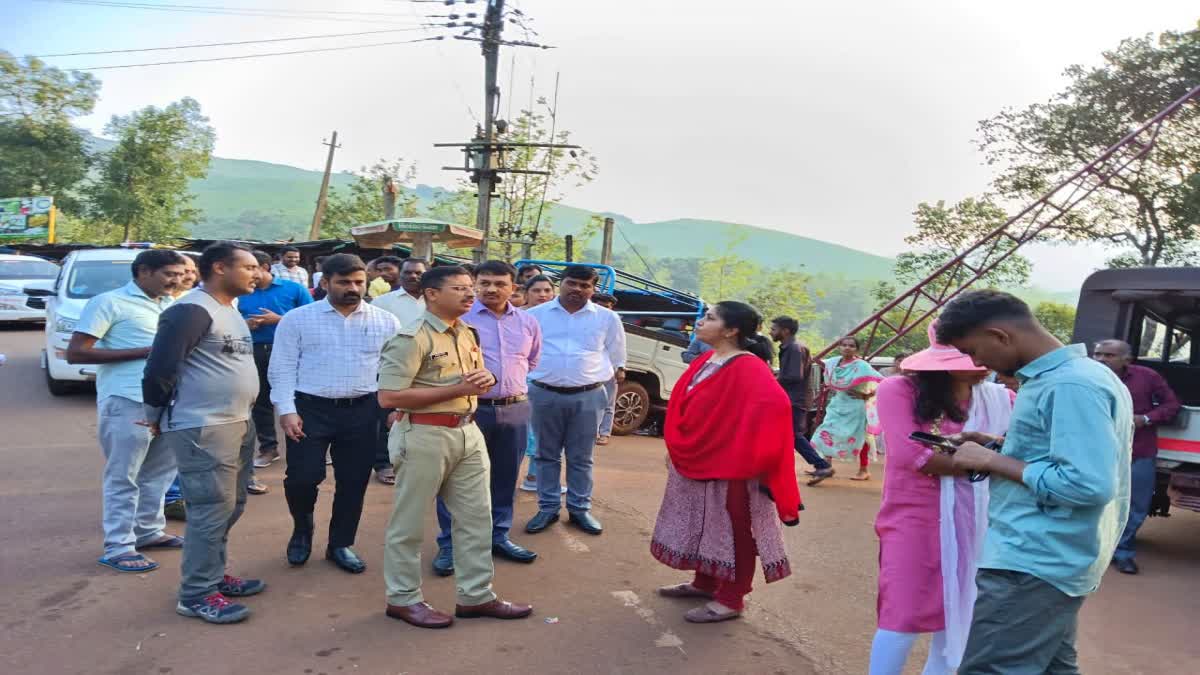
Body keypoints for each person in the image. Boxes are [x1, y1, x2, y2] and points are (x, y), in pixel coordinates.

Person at [935, 290, 1132, 673]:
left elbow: (1088, 483)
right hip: (1055, 558)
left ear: (1000, 335)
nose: (976, 362)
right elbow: (1062, 454)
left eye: (973, 349)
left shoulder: (1068, 385)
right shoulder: (1083, 376)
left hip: (1033, 561)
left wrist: (991, 459)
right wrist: (996, 445)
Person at [377, 265, 533, 629]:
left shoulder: (466, 333)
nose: (469, 294)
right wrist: (456, 390)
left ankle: (476, 595)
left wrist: (487, 378)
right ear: (432, 294)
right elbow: (389, 397)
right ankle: (402, 599)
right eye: (459, 288)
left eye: (469, 288)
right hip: (424, 435)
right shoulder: (412, 337)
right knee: (409, 522)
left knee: (477, 518)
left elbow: (474, 379)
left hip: (467, 431)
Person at [869, 322, 1015, 674]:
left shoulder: (1002, 398)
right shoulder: (898, 390)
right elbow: (913, 458)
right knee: (901, 611)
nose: (983, 367)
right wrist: (992, 462)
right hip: (914, 516)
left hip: (979, 519)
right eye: (972, 358)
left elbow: (1017, 449)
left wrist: (986, 458)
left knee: (960, 613)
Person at [651, 301, 800, 623]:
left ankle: (732, 598)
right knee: (703, 521)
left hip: (730, 464)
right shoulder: (709, 358)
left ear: (731, 330)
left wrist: (743, 449)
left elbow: (775, 408)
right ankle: (705, 583)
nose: (701, 322)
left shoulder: (748, 366)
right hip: (698, 456)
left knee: (734, 528)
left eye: (710, 318)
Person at [142, 242, 264, 624]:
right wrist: (154, 415)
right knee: (210, 509)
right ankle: (196, 594)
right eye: (249, 267)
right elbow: (160, 367)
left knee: (231, 504)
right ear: (219, 268)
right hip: (204, 426)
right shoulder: (191, 310)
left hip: (238, 422)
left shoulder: (230, 309)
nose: (257, 274)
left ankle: (213, 573)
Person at [268, 254, 401, 574]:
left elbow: (394, 369)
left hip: (363, 410)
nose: (353, 288)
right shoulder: (298, 319)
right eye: (344, 282)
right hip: (310, 410)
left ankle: (340, 543)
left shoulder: (386, 321)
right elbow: (282, 367)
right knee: (302, 478)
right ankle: (302, 531)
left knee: (353, 481)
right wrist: (286, 410)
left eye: (359, 282)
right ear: (325, 282)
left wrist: (393, 406)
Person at [68, 249, 188, 573]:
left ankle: (148, 532)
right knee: (124, 476)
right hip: (126, 399)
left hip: (168, 402)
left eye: (179, 275)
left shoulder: (173, 305)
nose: (176, 281)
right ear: (144, 272)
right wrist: (148, 352)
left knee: (159, 474)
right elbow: (77, 353)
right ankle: (118, 546)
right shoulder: (109, 302)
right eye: (169, 275)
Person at [431, 261, 543, 577]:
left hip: (515, 409)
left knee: (505, 478)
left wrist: (506, 385)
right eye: (485, 283)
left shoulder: (528, 323)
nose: (491, 289)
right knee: (456, 479)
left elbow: (532, 360)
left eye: (499, 283)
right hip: (468, 409)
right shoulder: (457, 320)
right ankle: (450, 544)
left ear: (514, 287)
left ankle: (498, 537)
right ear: (474, 285)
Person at [524, 265, 627, 537]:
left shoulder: (607, 318)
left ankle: (580, 509)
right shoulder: (534, 315)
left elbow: (617, 357)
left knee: (581, 457)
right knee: (545, 454)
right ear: (561, 283)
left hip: (589, 395)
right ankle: (547, 508)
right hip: (543, 393)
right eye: (572, 283)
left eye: (585, 285)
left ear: (593, 289)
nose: (577, 290)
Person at [1093, 339, 1180, 575]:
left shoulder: (1148, 377)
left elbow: (1172, 405)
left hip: (1139, 451)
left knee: (1136, 505)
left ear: (1127, 360)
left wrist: (1145, 419)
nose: (1101, 359)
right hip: (1095, 451)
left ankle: (1122, 552)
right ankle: (1094, 552)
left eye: (1109, 355)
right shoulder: (1086, 376)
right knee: (1095, 500)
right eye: (1098, 354)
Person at [241, 250, 312, 494]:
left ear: (265, 267)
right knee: (261, 401)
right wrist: (245, 324)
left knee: (300, 397)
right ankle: (268, 448)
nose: (249, 274)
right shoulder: (240, 293)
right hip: (255, 351)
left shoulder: (294, 290)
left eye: (252, 268)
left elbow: (312, 320)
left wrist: (279, 319)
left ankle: (310, 443)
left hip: (292, 352)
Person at [370, 257, 430, 485]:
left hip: (429, 370)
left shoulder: (437, 300)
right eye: (409, 273)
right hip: (391, 368)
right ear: (399, 275)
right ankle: (384, 463)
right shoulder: (382, 303)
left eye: (419, 273)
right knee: (387, 419)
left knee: (422, 419)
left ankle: (415, 463)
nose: (414, 277)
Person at [769, 316, 834, 485]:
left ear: (785, 331)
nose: (771, 332)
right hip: (794, 398)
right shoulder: (792, 347)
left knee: (793, 435)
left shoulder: (794, 349)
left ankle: (822, 465)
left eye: (774, 329)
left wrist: (771, 380)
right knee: (788, 435)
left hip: (794, 399)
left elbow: (793, 376)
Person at [811, 336, 883, 481]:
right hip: (838, 404)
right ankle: (826, 466)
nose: (847, 348)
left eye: (851, 345)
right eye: (844, 345)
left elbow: (882, 382)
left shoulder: (861, 365)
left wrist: (866, 395)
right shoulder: (832, 363)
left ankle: (864, 470)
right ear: (839, 347)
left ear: (857, 349)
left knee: (859, 437)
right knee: (827, 432)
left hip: (856, 407)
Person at [518, 273, 557, 492]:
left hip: (547, 381)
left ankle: (533, 477)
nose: (542, 295)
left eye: (547, 291)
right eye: (536, 290)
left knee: (543, 431)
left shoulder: (560, 317)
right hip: (521, 380)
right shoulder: (517, 317)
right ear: (526, 293)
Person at [592, 292, 619, 445]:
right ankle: (593, 431)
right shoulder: (585, 320)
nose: (605, 310)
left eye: (608, 307)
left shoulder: (613, 321)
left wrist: (619, 367)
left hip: (609, 367)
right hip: (591, 368)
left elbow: (619, 347)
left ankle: (605, 433)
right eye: (601, 306)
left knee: (608, 402)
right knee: (593, 402)